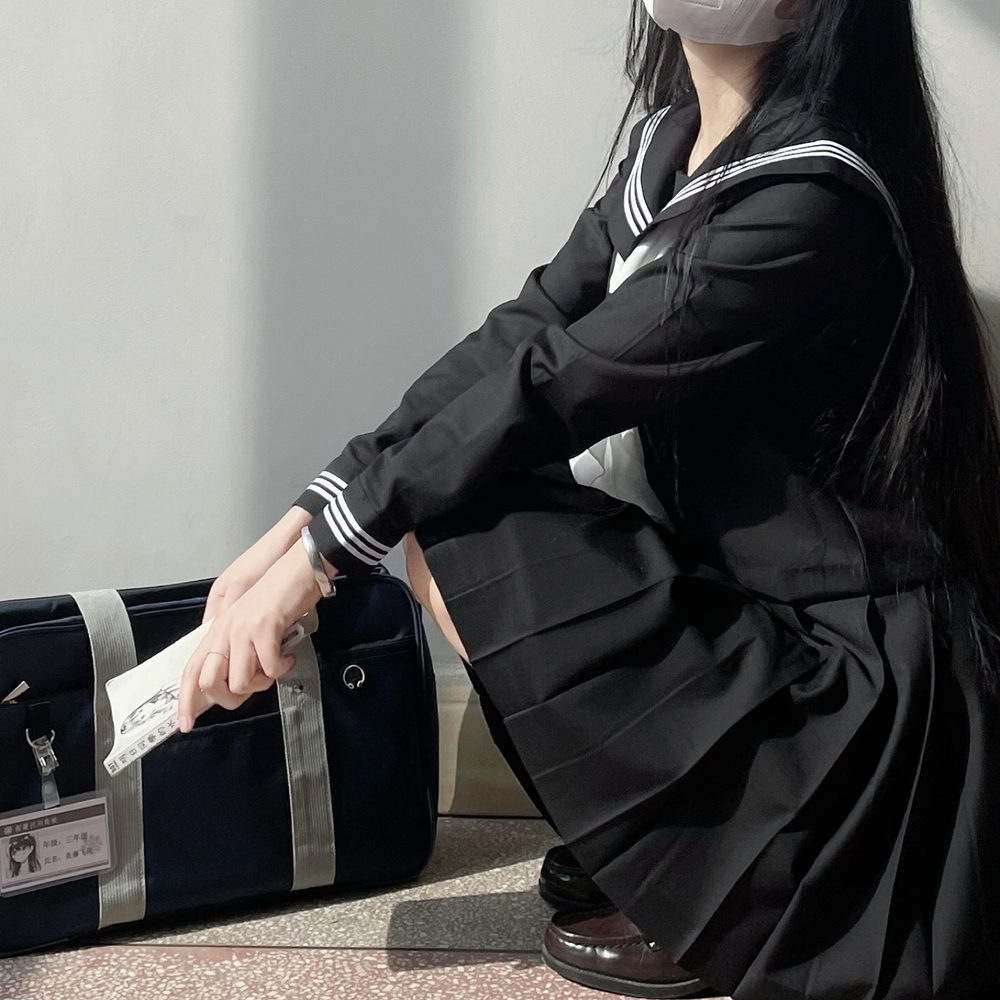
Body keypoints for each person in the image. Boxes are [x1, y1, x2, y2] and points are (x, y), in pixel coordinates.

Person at [177, 0, 1000, 997]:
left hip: (855, 692)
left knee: (458, 505)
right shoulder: (673, 145)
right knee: (448, 495)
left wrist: (322, 561)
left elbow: (557, 385)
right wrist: (310, 514)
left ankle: (725, 881)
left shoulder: (813, 198)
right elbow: (518, 336)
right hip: (755, 615)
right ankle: (669, 844)